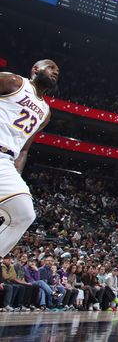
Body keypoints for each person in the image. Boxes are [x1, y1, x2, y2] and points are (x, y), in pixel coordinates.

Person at [0, 60, 58, 255]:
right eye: (51, 67)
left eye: (57, 71)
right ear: (35, 69)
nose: (55, 72)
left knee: (24, 215)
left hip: (6, 161)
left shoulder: (45, 112)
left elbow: (24, 149)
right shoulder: (14, 82)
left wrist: (15, 177)